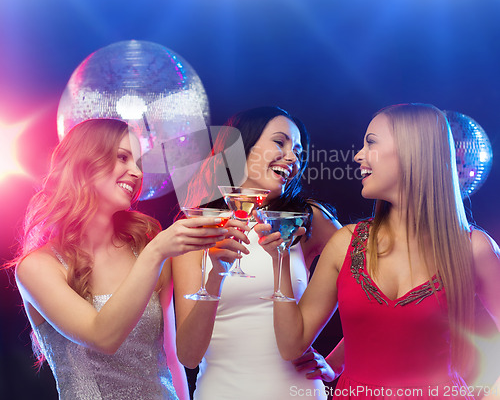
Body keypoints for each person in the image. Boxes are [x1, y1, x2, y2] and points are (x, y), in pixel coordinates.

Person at [260, 103, 500, 399]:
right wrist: (280, 259)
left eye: (371, 142)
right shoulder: (345, 243)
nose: (359, 155)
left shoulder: (474, 247)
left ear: (414, 151)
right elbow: (291, 345)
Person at [11, 118, 229, 400]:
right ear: (84, 163)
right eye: (123, 158)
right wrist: (156, 253)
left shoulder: (145, 242)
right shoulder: (37, 267)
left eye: (138, 162)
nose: (137, 172)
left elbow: (172, 357)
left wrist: (215, 273)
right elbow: (102, 337)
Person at [172, 106, 343, 400]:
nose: (293, 157)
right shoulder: (197, 227)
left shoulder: (307, 219)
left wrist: (337, 364)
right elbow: (188, 355)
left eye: (299, 151)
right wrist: (216, 277)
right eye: (280, 142)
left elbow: (375, 290)